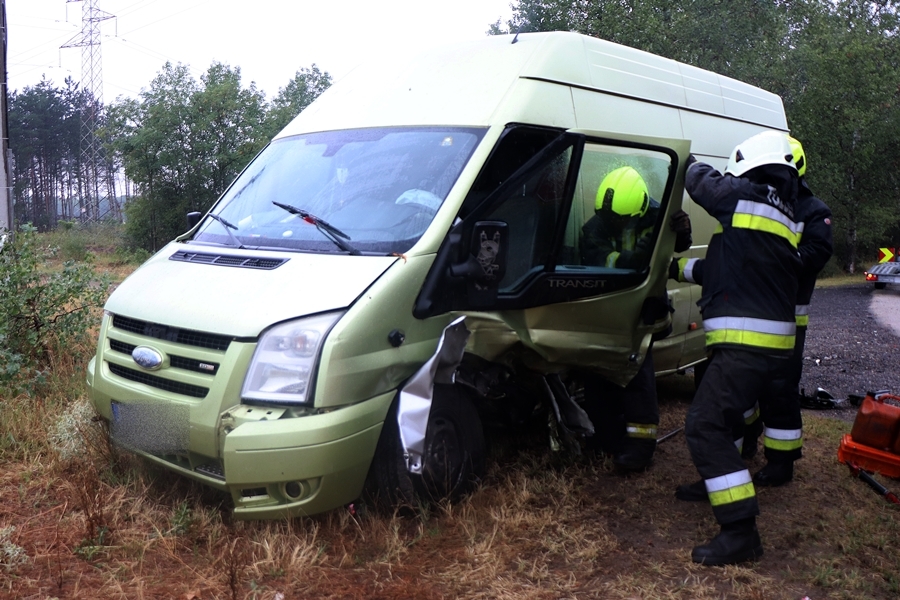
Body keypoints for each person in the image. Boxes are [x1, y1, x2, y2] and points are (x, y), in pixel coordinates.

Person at [673, 136, 834, 487]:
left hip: (787, 317)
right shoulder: (780, 207)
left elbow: (814, 255)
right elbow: (724, 264)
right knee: (740, 396)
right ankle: (738, 451)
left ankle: (780, 461)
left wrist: (776, 258)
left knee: (779, 391)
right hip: (760, 316)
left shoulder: (809, 210)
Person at [678, 131, 802, 566]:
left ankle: (740, 531)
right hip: (769, 347)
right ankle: (714, 483)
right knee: (726, 418)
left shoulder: (749, 197)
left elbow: (705, 184)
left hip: (747, 345)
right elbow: (725, 268)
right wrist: (673, 268)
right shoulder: (780, 215)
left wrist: (685, 159)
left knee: (704, 425)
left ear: (748, 168)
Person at [580, 166, 692, 473]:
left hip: (646, 310)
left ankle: (641, 446)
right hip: (610, 310)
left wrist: (682, 232)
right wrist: (638, 258)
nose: (614, 224)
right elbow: (601, 261)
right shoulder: (597, 225)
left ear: (639, 207)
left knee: (638, 374)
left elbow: (678, 246)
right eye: (610, 219)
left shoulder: (658, 216)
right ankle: (606, 437)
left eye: (620, 220)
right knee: (599, 376)